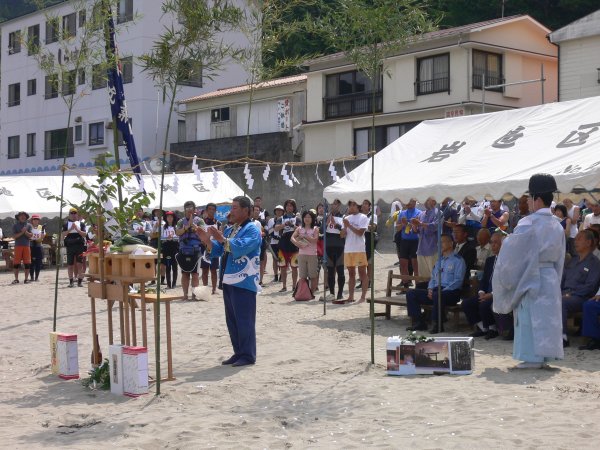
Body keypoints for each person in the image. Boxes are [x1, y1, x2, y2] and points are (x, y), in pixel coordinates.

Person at [493, 173, 566, 369]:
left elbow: (514, 253)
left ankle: (532, 357)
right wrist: (556, 278)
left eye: (530, 198)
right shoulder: (557, 225)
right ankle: (546, 357)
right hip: (550, 275)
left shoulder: (528, 223)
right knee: (548, 317)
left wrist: (505, 242)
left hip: (531, 274)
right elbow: (560, 258)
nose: (529, 202)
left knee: (529, 316)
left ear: (537, 198)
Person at [198, 196, 262, 367]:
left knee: (244, 319)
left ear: (246, 210)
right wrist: (207, 241)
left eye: (234, 208)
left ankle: (248, 355)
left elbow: (240, 247)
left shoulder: (252, 229)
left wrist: (220, 239)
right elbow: (219, 251)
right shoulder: (231, 229)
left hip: (244, 279)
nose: (230, 211)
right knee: (232, 319)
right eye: (231, 208)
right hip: (229, 279)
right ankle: (239, 352)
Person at [406, 234, 466, 334]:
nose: (440, 244)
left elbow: (458, 281)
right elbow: (433, 278)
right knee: (411, 293)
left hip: (450, 292)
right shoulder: (440, 261)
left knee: (438, 294)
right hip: (435, 291)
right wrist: (430, 288)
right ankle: (419, 322)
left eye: (442, 242)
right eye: (439, 242)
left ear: (451, 244)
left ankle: (437, 324)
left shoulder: (458, 260)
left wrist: (441, 290)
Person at [462, 231, 508, 339]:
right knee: (467, 303)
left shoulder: (508, 261)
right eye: (491, 242)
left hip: (499, 294)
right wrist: (481, 292)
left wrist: (491, 294)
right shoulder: (490, 260)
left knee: (485, 305)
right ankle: (483, 328)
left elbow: (506, 282)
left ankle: (493, 328)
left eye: (496, 243)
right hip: (486, 293)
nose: (493, 245)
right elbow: (484, 279)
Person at [560, 230, 600, 347]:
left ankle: (562, 337)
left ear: (588, 243)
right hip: (565, 294)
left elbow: (590, 286)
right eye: (576, 238)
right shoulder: (572, 261)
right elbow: (562, 280)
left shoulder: (595, 263)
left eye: (579, 239)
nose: (575, 242)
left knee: (561, 302)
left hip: (580, 297)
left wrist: (570, 294)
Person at [338, 200, 370, 303]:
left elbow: (360, 233)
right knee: (351, 274)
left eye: (354, 205)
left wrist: (349, 225)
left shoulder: (363, 217)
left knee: (362, 273)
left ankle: (363, 297)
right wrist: (345, 226)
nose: (351, 207)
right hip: (348, 249)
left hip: (359, 249)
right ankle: (351, 296)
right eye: (350, 205)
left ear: (358, 206)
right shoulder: (346, 218)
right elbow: (342, 235)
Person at [175, 200, 206, 300]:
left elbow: (203, 232)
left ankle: (194, 295)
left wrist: (194, 226)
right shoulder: (181, 221)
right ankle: (185, 295)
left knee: (195, 274)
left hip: (195, 250)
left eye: (191, 208)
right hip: (184, 249)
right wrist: (186, 227)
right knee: (185, 273)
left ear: (194, 209)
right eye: (187, 208)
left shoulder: (199, 220)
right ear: (184, 210)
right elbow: (178, 233)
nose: (189, 210)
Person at [275, 199, 300, 293]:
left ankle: (294, 286)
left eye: (291, 206)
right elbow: (276, 228)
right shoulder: (280, 218)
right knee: (283, 267)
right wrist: (284, 224)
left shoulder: (297, 218)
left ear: (293, 207)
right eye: (287, 206)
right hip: (283, 244)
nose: (289, 207)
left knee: (294, 267)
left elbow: (300, 229)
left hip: (294, 245)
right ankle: (284, 286)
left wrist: (293, 226)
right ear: (285, 207)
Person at [291, 210, 319, 292]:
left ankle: (312, 293)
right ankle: (304, 292)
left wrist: (305, 236)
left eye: (309, 217)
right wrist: (297, 243)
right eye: (305, 217)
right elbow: (292, 238)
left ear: (312, 219)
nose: (307, 219)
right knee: (302, 276)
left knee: (313, 275)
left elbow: (315, 240)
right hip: (302, 254)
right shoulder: (299, 228)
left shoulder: (315, 229)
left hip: (312, 255)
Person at [324, 199, 346, 300]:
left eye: (335, 204)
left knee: (340, 271)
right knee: (330, 271)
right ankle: (332, 293)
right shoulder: (327, 216)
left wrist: (335, 224)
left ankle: (340, 293)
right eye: (332, 204)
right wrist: (326, 223)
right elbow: (320, 231)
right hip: (329, 246)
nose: (333, 206)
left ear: (339, 205)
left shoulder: (344, 217)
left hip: (340, 246)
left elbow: (344, 232)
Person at [396, 198, 420, 285]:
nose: (408, 203)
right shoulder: (402, 213)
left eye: (410, 201)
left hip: (415, 241)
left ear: (414, 202)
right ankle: (405, 285)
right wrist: (403, 224)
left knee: (415, 265)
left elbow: (417, 228)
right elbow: (397, 228)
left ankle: (418, 286)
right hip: (404, 241)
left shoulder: (419, 213)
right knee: (403, 264)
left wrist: (408, 224)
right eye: (407, 200)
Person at [62, 208, 87, 287]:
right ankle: (71, 282)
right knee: (70, 265)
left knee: (80, 264)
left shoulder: (81, 224)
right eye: (71, 213)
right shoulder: (66, 224)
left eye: (75, 213)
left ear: (77, 214)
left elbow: (84, 234)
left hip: (79, 245)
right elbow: (63, 234)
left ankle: (79, 282)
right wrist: (70, 229)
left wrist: (76, 229)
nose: (73, 215)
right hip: (70, 246)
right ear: (69, 215)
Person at [201, 203, 222, 294]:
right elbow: (200, 235)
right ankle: (205, 288)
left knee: (214, 270)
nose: (211, 211)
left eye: (213, 209)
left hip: (214, 248)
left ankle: (214, 289)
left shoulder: (218, 222)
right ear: (206, 210)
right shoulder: (202, 222)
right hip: (205, 247)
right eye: (210, 209)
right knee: (205, 270)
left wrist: (218, 233)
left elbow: (221, 235)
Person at [415, 197, 438, 279]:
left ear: (434, 201)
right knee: (423, 276)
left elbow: (435, 226)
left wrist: (420, 223)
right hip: (421, 248)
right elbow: (416, 230)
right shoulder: (421, 214)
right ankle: (424, 291)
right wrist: (413, 225)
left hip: (432, 248)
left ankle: (433, 292)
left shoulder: (438, 212)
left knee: (434, 275)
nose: (425, 202)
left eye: (428, 200)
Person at [360, 199, 378, 289]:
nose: (364, 205)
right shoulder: (359, 215)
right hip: (360, 237)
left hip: (369, 237)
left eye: (366, 204)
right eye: (363, 203)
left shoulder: (373, 216)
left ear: (370, 206)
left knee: (369, 261)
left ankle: (369, 280)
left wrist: (363, 226)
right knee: (361, 261)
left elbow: (373, 228)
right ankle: (363, 280)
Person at [12, 211, 33, 284]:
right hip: (18, 246)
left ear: (26, 217)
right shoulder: (15, 225)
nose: (22, 217)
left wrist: (25, 232)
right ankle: (16, 279)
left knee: (27, 263)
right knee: (16, 263)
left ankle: (26, 279)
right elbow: (14, 236)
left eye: (24, 215)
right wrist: (22, 232)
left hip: (26, 246)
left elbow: (31, 235)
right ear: (18, 217)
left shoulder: (29, 225)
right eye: (21, 215)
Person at [161, 211, 179, 289]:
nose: (170, 218)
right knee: (168, 266)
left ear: (173, 218)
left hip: (175, 247)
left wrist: (173, 238)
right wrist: (167, 238)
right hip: (166, 247)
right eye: (168, 217)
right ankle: (168, 284)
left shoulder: (177, 226)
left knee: (175, 266)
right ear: (166, 218)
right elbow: (161, 238)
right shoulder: (163, 227)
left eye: (171, 217)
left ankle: (174, 283)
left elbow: (179, 237)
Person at [266, 205, 284, 282]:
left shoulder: (284, 219)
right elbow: (269, 231)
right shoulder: (271, 220)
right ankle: (276, 275)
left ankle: (282, 275)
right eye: (277, 210)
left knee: (282, 259)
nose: (278, 212)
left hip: (282, 242)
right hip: (273, 242)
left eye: (280, 210)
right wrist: (274, 235)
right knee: (275, 259)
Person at [252, 205, 268, 286]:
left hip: (261, 243)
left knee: (261, 263)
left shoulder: (263, 221)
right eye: (254, 210)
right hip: (251, 245)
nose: (256, 211)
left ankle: (260, 280)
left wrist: (261, 234)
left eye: (258, 210)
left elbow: (266, 231)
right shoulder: (248, 221)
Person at [29, 214, 45, 282]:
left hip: (38, 245)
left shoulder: (41, 227)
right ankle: (32, 277)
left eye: (37, 219)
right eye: (34, 219)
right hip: (31, 245)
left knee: (38, 262)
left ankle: (36, 277)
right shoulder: (29, 227)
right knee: (31, 262)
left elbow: (43, 236)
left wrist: (40, 237)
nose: (36, 221)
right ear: (32, 220)